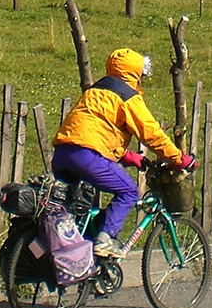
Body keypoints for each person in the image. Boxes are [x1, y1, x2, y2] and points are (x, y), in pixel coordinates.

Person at [52, 47, 196, 258]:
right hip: (86, 156)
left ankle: (83, 258)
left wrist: (129, 157)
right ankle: (105, 240)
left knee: (82, 211)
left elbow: (98, 132)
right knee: (128, 192)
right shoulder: (127, 96)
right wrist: (179, 159)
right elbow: (151, 134)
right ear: (134, 73)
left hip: (63, 154)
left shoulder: (95, 91)